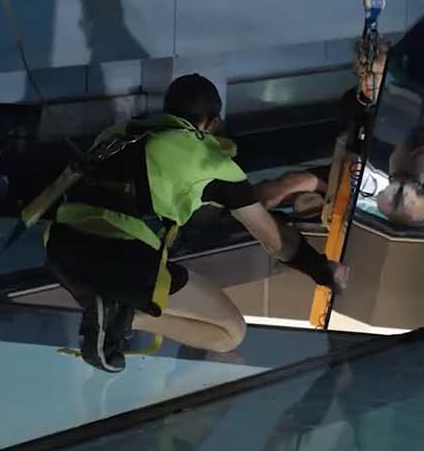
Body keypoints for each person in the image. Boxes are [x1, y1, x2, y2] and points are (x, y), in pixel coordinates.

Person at [46, 73, 346, 371]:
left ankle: (116, 310)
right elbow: (274, 241)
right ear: (212, 123)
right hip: (120, 260)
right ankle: (123, 313)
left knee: (166, 280)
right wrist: (321, 270)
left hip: (62, 248)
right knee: (231, 333)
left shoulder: (119, 132)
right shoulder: (210, 162)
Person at [254, 36, 424, 228]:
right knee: (281, 188)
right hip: (362, 174)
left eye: (377, 74)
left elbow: (422, 155)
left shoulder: (409, 110)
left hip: (393, 180)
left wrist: (408, 185)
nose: (368, 81)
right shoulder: (353, 102)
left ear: (391, 75)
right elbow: (346, 157)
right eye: (363, 73)